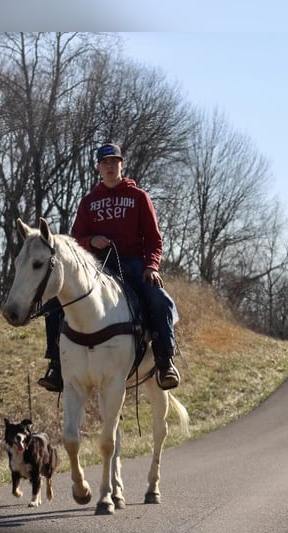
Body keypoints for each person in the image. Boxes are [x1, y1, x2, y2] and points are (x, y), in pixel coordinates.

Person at [37, 142, 181, 393]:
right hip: (99, 267)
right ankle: (56, 366)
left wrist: (152, 266)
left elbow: (154, 238)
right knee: (53, 306)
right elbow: (75, 239)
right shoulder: (89, 202)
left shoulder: (139, 197)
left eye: (114, 162)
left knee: (161, 301)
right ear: (98, 168)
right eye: (105, 163)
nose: (110, 166)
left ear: (121, 165)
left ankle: (164, 360)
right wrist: (90, 241)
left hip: (134, 264)